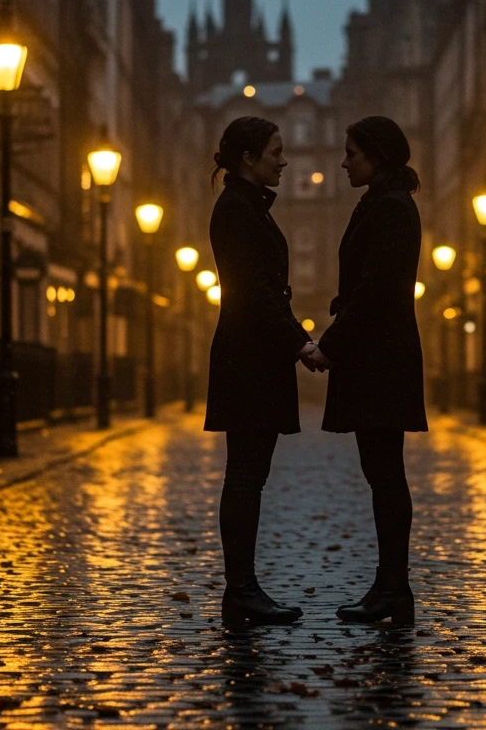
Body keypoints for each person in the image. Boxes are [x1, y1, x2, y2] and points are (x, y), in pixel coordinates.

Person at [307, 116, 428, 625]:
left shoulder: (392, 209)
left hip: (381, 358)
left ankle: (393, 589)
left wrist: (330, 344)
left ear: (375, 156)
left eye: (351, 153)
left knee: (385, 476)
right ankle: (389, 585)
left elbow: (377, 288)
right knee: (382, 475)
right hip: (378, 354)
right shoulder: (383, 203)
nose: (343, 162)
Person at [204, 116, 321, 626]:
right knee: (246, 477)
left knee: (250, 476)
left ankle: (243, 589)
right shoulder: (236, 211)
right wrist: (301, 343)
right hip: (248, 358)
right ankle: (241, 591)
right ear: (249, 159)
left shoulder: (247, 207)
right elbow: (253, 292)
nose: (284, 160)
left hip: (253, 356)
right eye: (276, 152)